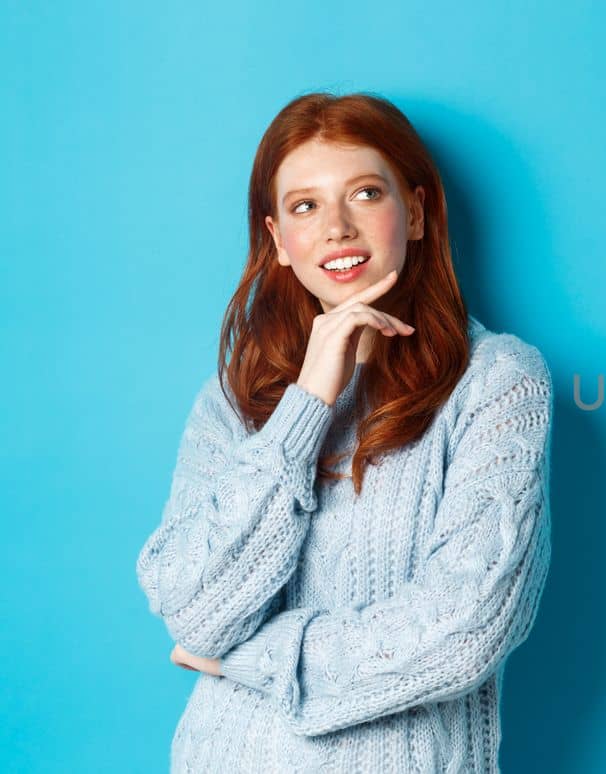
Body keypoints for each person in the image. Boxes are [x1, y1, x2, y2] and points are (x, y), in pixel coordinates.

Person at [134, 91, 553, 772]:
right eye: (305, 206)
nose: (336, 227)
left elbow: (464, 631)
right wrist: (309, 402)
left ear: (415, 212)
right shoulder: (233, 400)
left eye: (364, 193)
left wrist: (246, 658)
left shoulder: (498, 381)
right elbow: (193, 611)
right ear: (277, 240)